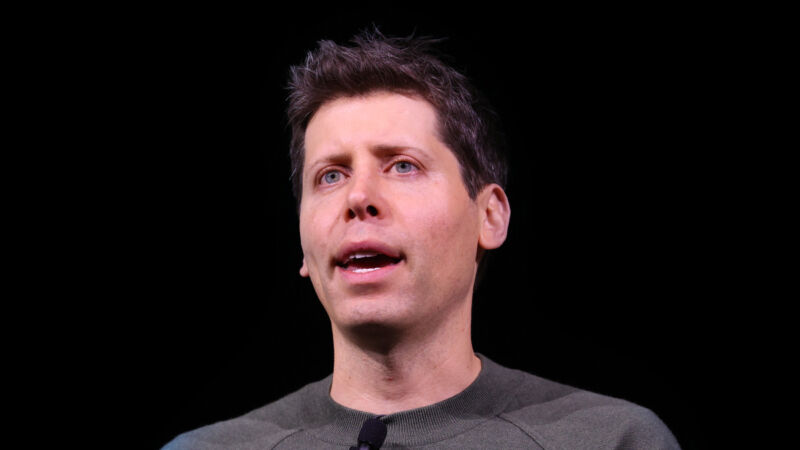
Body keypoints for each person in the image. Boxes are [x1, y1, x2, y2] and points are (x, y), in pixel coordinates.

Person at [163, 29, 680, 449]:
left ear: (490, 216)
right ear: (303, 243)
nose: (358, 197)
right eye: (331, 175)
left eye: (403, 166)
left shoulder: (613, 439)